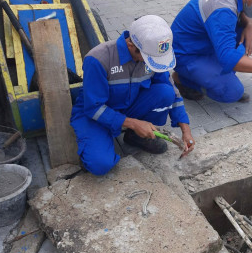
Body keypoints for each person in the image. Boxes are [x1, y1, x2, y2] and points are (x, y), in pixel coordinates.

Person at [71, 15, 195, 175]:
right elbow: (93, 108)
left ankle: (136, 137)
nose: (152, 63)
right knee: (100, 165)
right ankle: (95, 145)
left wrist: (186, 130)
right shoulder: (98, 60)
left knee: (165, 92)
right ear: (130, 44)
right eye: (148, 58)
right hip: (96, 115)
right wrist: (134, 123)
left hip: (128, 106)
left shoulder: (151, 55)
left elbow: (172, 90)